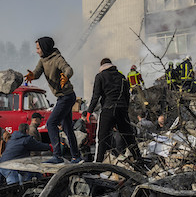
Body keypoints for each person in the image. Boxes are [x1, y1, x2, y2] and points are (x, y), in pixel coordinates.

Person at [24, 36, 81, 164]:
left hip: (67, 96)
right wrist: (32, 75)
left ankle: (57, 155)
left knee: (51, 123)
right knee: (67, 128)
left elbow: (68, 69)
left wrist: (66, 75)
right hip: (62, 97)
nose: (37, 51)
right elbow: (37, 72)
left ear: (44, 48)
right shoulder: (43, 60)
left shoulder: (57, 58)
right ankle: (76, 156)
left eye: (38, 48)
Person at [86, 58, 141, 163]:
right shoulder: (121, 77)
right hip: (122, 110)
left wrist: (89, 111)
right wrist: (124, 110)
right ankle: (138, 159)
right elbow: (127, 95)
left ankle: (98, 163)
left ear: (101, 66)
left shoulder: (100, 76)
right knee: (129, 137)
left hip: (108, 109)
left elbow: (96, 96)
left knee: (101, 138)